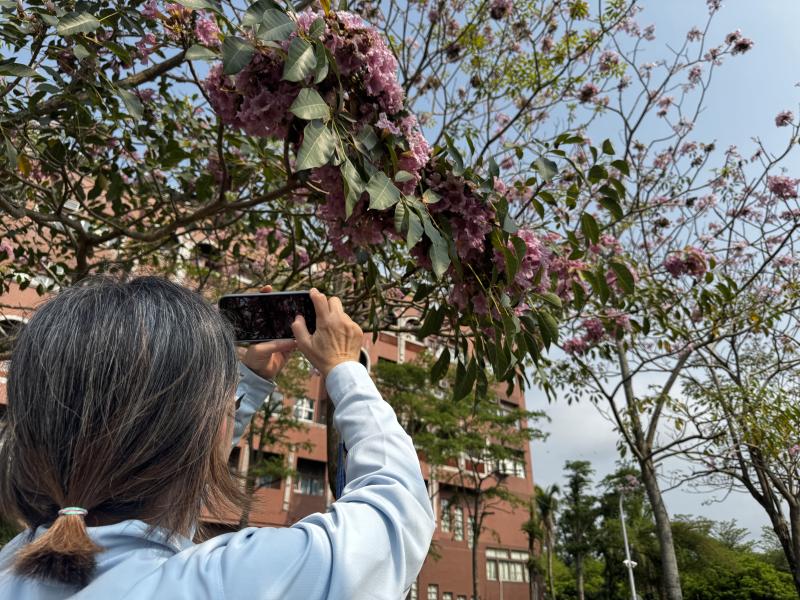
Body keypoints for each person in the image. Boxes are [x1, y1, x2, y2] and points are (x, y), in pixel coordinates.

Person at [0, 277, 434, 599]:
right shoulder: (230, 580)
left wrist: (249, 383)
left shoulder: (15, 564)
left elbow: (169, 481)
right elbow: (397, 515)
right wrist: (345, 368)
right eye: (226, 402)